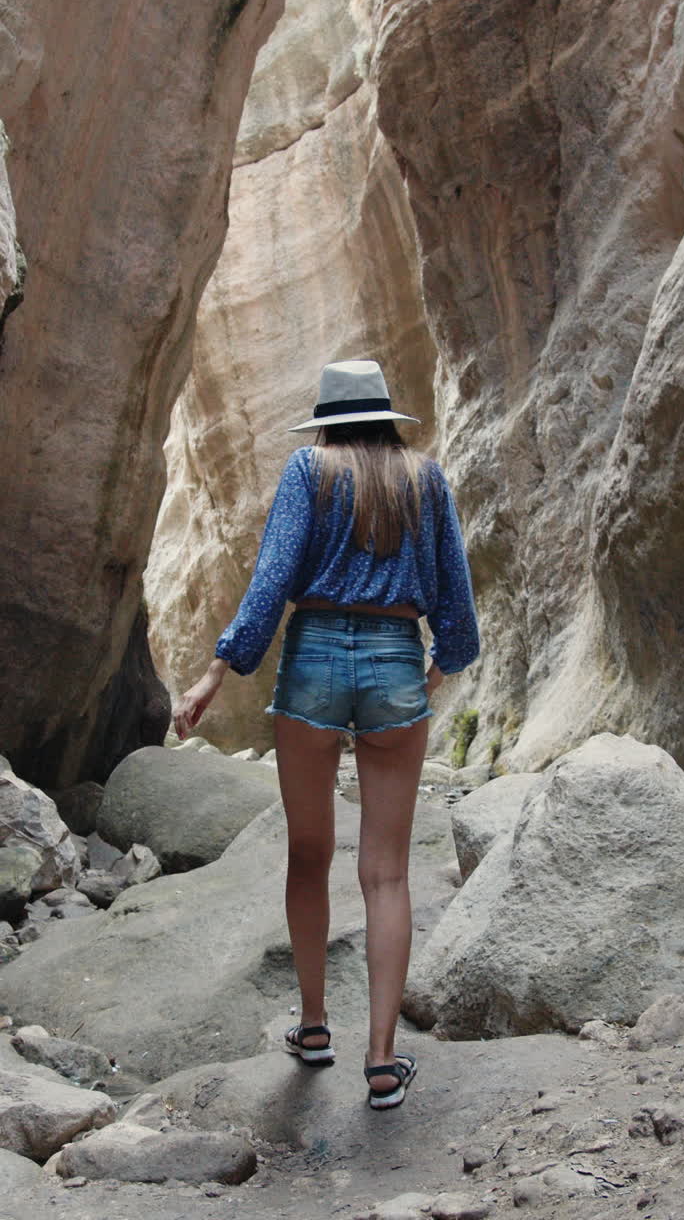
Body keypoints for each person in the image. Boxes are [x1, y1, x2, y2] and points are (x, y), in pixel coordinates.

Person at [173, 360, 480, 1110]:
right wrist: (438, 667)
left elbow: (272, 579)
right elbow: (455, 599)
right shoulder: (425, 478)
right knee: (388, 874)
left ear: (327, 419)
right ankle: (382, 1060)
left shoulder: (309, 469)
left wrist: (219, 672)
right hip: (393, 664)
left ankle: (313, 1027)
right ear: (386, 415)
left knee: (309, 857)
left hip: (311, 659)